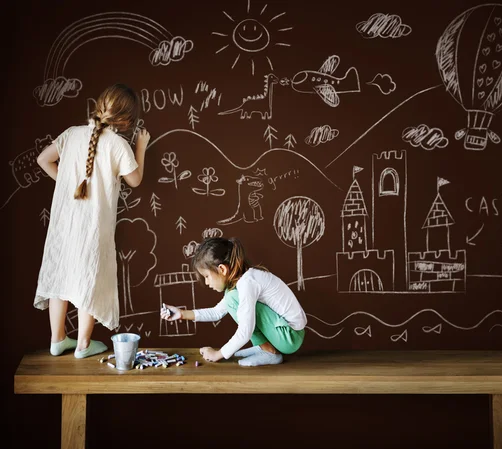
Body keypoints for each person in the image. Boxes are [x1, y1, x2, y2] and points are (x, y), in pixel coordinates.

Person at [34, 83, 150, 359]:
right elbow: (135, 180)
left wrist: (67, 184)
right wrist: (141, 147)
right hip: (93, 226)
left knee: (60, 275)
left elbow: (43, 159)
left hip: (64, 223)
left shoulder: (71, 135)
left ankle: (57, 339)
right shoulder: (119, 144)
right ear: (125, 121)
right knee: (90, 277)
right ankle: (84, 345)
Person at [161, 237, 307, 367]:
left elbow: (245, 330)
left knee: (232, 299)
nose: (206, 283)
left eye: (206, 276)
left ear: (222, 269)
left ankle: (270, 352)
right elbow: (216, 312)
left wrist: (218, 354)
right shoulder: (241, 284)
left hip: (290, 336)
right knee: (231, 297)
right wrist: (181, 314)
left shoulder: (247, 283)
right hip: (286, 333)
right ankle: (265, 347)